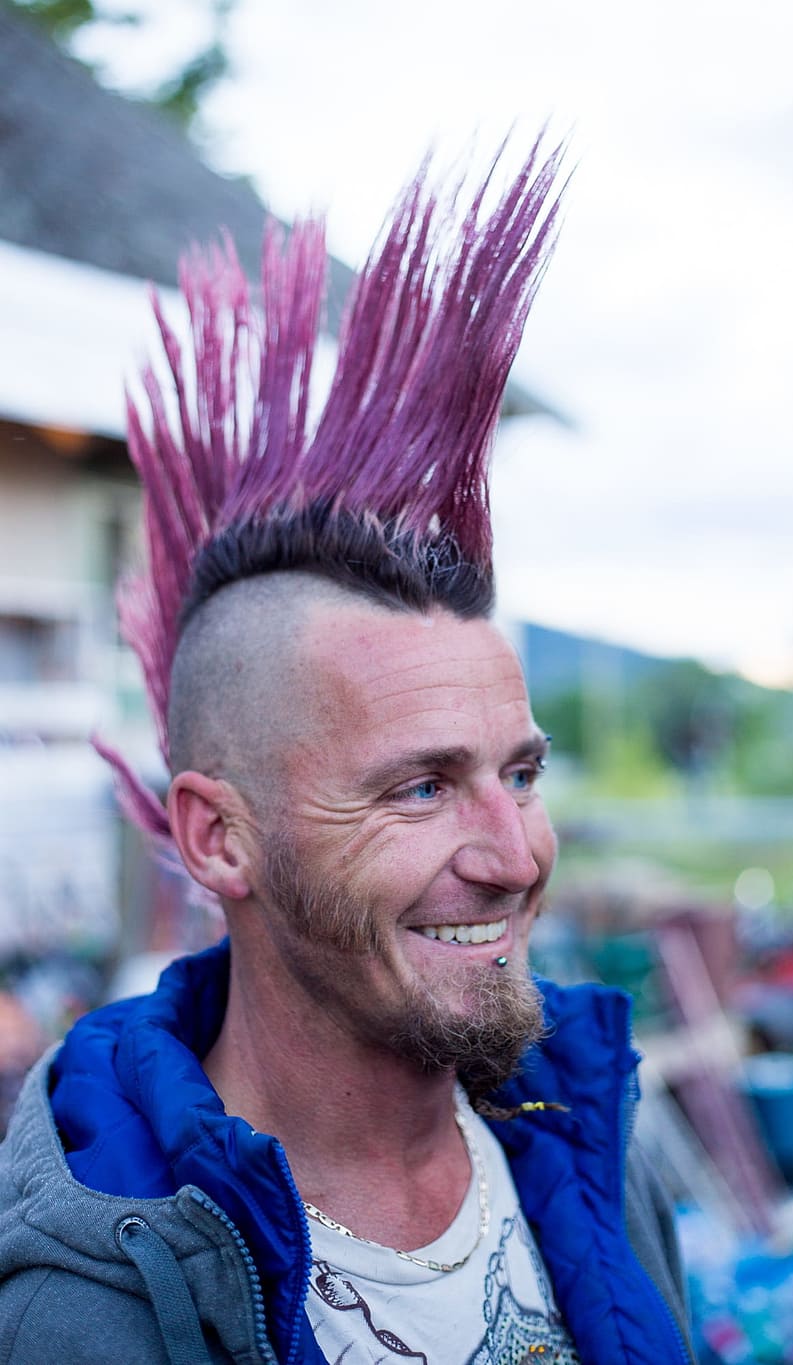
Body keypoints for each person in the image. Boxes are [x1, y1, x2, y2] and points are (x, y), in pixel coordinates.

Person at [0, 137, 694, 1364]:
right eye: (420, 787)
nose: (514, 854)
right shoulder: (94, 1315)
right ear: (220, 836)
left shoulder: (592, 1146)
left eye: (518, 774)